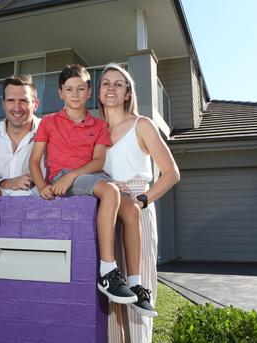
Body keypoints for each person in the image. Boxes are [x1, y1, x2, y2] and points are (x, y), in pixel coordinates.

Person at [29, 64, 141, 306]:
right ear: (61, 93)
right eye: (69, 89)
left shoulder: (99, 126)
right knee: (110, 190)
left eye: (81, 88)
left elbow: (99, 160)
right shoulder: (48, 123)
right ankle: (108, 272)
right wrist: (41, 186)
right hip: (62, 178)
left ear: (89, 91)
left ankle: (136, 282)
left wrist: (76, 176)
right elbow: (35, 161)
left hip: (88, 175)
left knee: (131, 208)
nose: (75, 94)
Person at [99, 63, 181, 343]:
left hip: (136, 209)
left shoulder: (141, 124)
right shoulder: (94, 131)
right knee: (110, 298)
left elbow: (171, 173)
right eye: (105, 83)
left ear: (127, 93)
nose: (111, 88)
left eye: (118, 84)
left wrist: (143, 199)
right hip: (106, 214)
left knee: (137, 291)